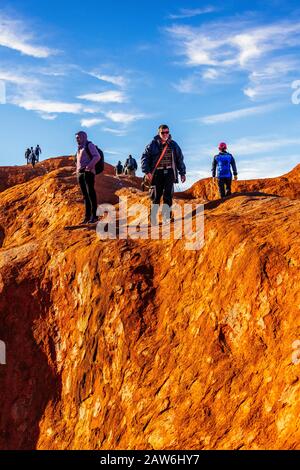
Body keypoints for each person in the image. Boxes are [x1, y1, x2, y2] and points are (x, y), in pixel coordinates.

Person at [141, 124, 186, 224]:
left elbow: (180, 159)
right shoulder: (152, 144)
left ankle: (167, 218)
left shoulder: (174, 144)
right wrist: (147, 171)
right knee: (156, 196)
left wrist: (182, 173)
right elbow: (145, 157)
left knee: (168, 195)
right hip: (157, 173)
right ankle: (153, 219)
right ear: (159, 133)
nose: (165, 134)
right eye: (163, 132)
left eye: (167, 132)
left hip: (169, 172)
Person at [75, 131, 101, 224]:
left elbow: (97, 156)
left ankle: (94, 217)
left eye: (78, 137)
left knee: (91, 194)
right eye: (76, 138)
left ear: (83, 137)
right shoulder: (79, 148)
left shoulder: (89, 145)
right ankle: (87, 217)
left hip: (88, 173)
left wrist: (89, 166)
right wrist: (77, 171)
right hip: (80, 173)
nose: (76, 139)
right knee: (85, 196)